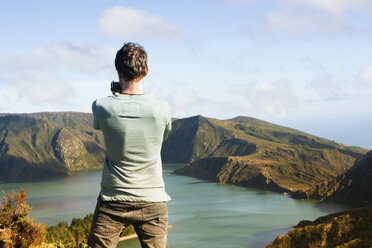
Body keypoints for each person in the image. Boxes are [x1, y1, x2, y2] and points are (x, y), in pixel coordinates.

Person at [88, 42, 171, 248]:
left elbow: (100, 123)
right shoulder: (162, 108)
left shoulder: (101, 106)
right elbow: (164, 130)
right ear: (147, 71)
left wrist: (117, 94)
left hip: (112, 198)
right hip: (152, 199)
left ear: (117, 71)